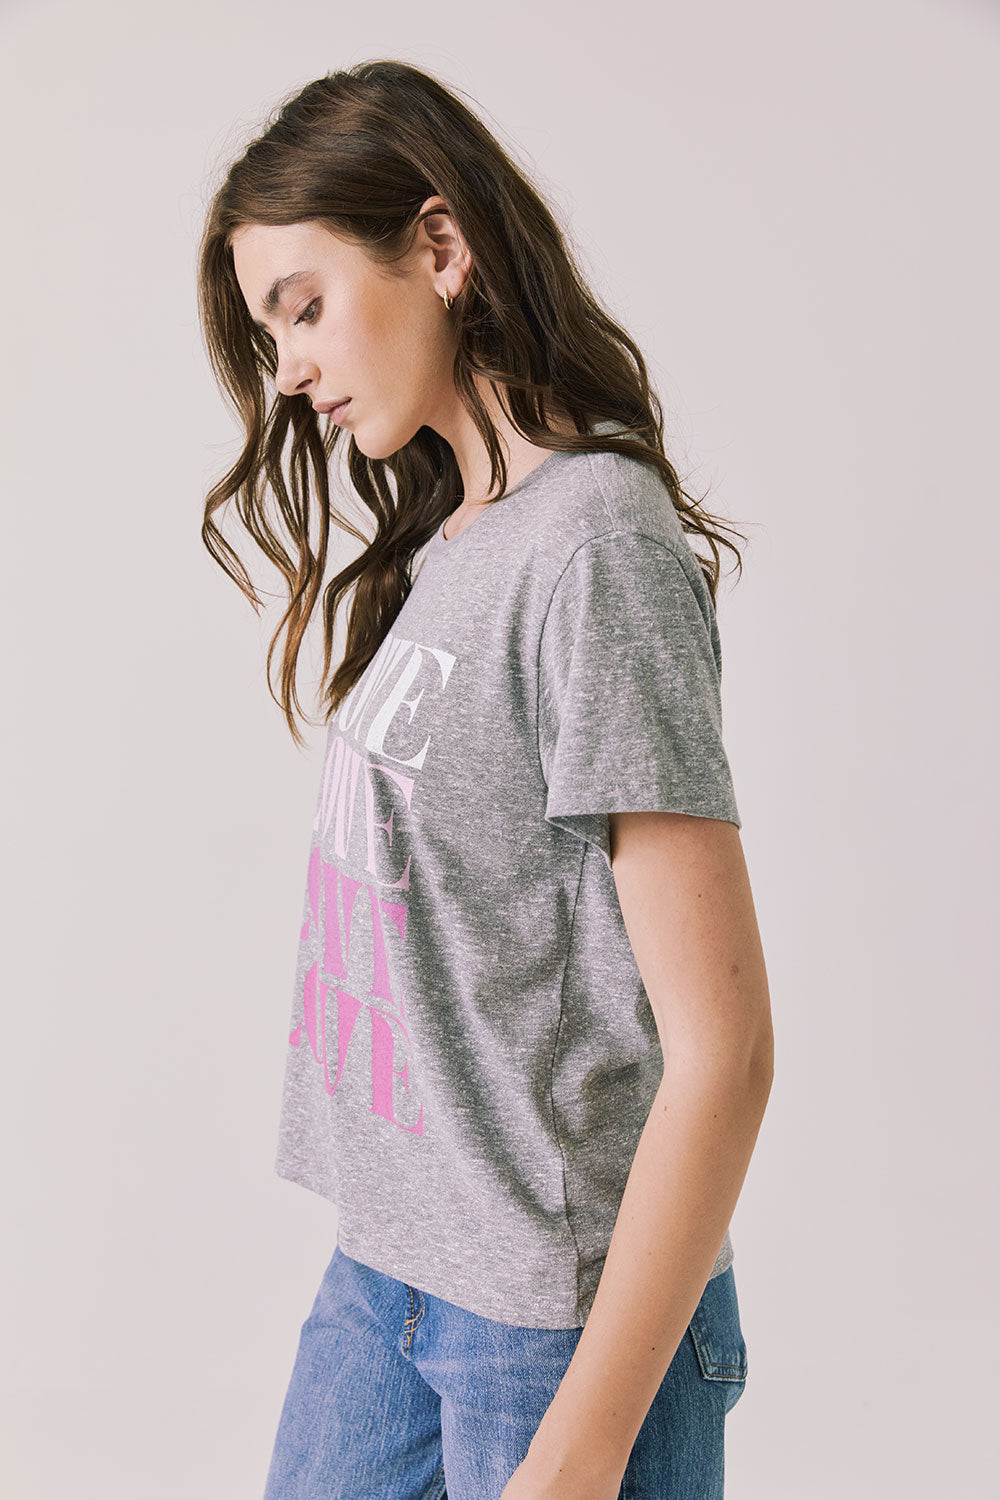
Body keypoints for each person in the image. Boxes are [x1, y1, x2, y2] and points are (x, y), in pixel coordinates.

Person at [196, 58, 773, 1500]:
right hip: (387, 1280)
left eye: (305, 310)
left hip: (553, 1319)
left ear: (441, 250)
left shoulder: (594, 545)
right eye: (272, 337)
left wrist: (580, 1453)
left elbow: (725, 1053)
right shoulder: (461, 549)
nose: (292, 375)